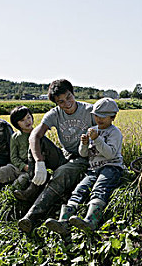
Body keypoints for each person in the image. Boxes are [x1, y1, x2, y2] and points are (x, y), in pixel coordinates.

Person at [17, 79, 95, 233]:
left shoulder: (89, 110)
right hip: (65, 154)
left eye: (69, 97)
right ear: (56, 104)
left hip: (84, 157)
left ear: (73, 93)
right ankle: (34, 186)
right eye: (61, 101)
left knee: (61, 173)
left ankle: (31, 216)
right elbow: (34, 136)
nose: (67, 103)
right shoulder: (55, 114)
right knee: (39, 142)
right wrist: (39, 162)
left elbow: (108, 130)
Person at [46, 97, 124, 235]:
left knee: (99, 188)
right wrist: (84, 144)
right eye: (96, 116)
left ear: (113, 117)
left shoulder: (114, 132)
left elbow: (110, 154)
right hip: (93, 168)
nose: (99, 119)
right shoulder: (92, 130)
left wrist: (97, 139)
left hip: (111, 167)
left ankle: (91, 221)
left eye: (103, 117)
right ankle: (63, 223)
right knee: (79, 190)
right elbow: (83, 154)